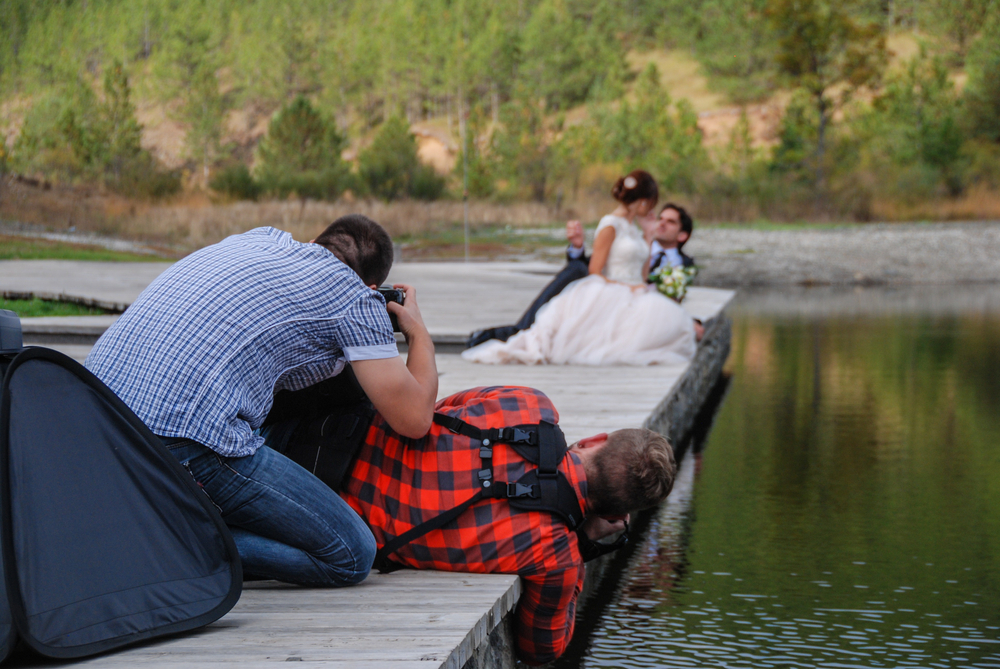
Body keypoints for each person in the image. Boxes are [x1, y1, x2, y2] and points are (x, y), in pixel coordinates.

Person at [84, 215, 439, 586]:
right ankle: (167, 545)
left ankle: (161, 525)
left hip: (93, 419)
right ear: (371, 287)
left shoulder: (255, 241)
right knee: (352, 554)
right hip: (179, 443)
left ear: (317, 243)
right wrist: (418, 332)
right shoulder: (353, 297)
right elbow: (414, 419)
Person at [262, 384, 676, 666]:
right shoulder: (555, 555)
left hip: (311, 436)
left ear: (594, 439)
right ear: (610, 517)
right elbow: (542, 650)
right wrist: (584, 545)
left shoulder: (529, 404)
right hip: (310, 511)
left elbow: (431, 410)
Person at [463, 171, 697, 365]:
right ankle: (491, 337)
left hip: (637, 290)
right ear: (645, 201)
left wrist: (648, 235)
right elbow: (595, 269)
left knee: (673, 326)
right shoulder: (610, 225)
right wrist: (627, 287)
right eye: (652, 204)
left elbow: (643, 275)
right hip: (613, 288)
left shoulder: (635, 229)